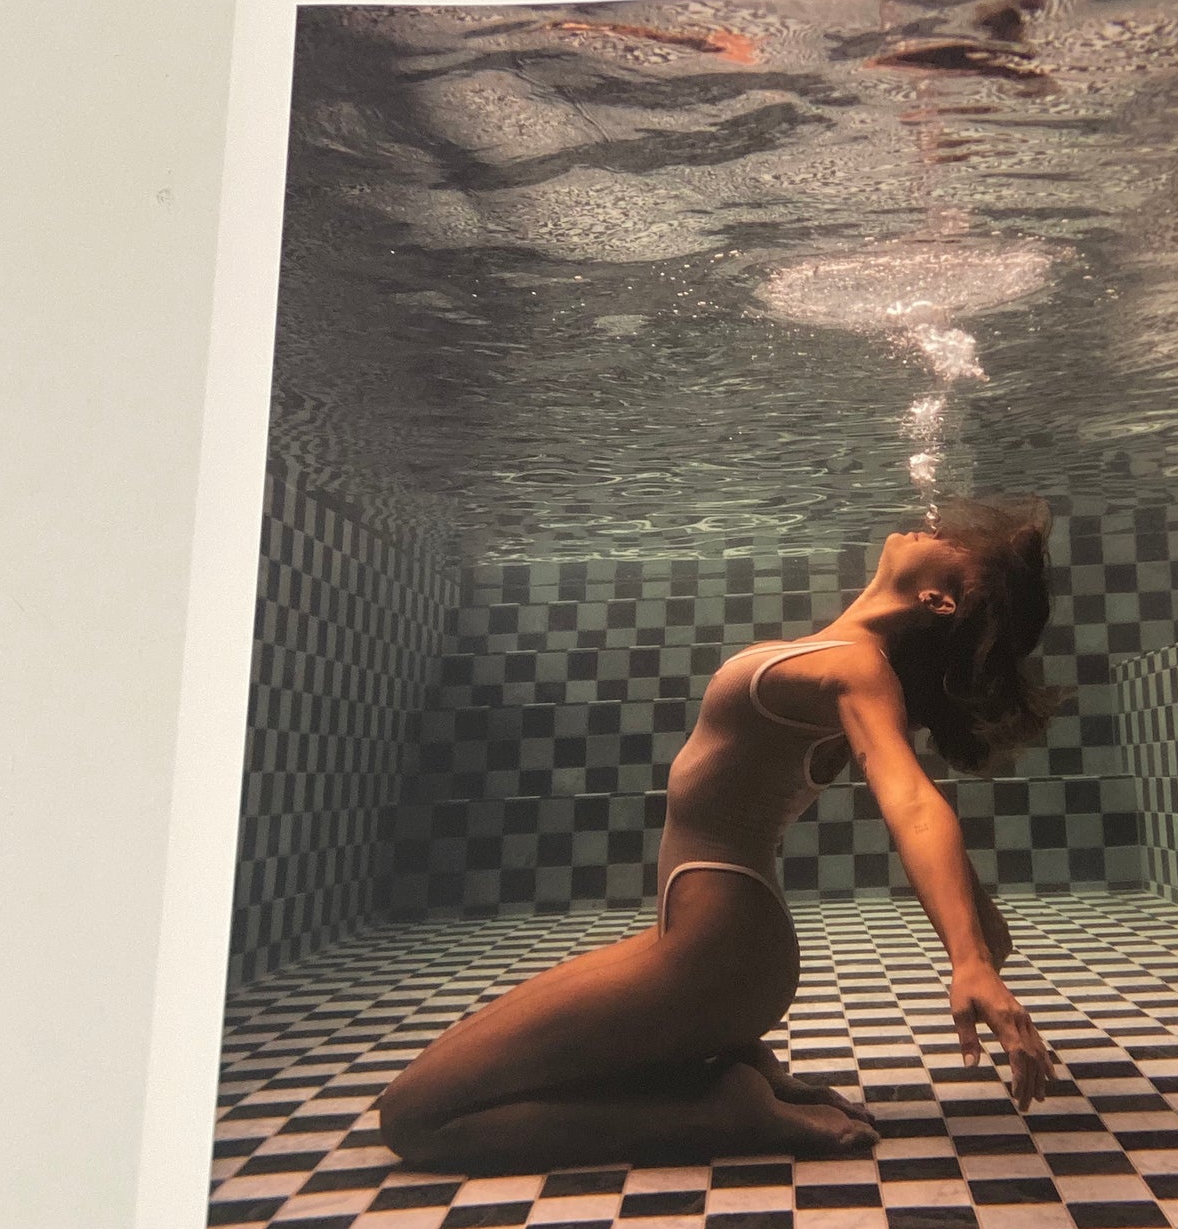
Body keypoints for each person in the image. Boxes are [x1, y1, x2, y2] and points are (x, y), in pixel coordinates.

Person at [377, 499, 1058, 1178]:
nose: (931, 525)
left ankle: (716, 1115)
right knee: (473, 1079)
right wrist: (982, 937)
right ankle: (733, 1068)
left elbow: (910, 800)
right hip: (717, 950)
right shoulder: (847, 664)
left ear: (939, 599)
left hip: (714, 954)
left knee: (418, 1116)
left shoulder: (858, 672)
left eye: (952, 540)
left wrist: (969, 958)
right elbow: (916, 803)